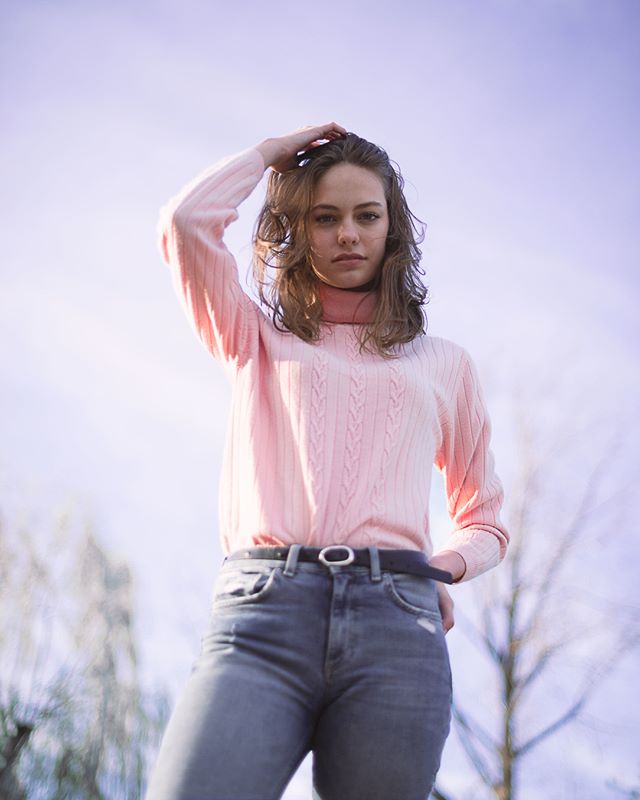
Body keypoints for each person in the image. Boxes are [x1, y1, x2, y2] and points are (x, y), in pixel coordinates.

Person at [145, 123, 509, 800]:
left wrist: (436, 569)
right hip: (261, 618)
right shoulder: (252, 337)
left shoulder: (444, 365)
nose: (348, 234)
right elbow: (186, 223)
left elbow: (484, 519)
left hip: (397, 627)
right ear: (298, 229)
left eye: (366, 216)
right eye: (325, 217)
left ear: (391, 230)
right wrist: (268, 154)